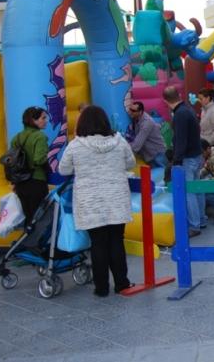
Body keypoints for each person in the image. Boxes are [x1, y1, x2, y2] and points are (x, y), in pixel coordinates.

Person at [58, 106, 135, 297]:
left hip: (90, 201)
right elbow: (131, 163)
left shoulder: (76, 145)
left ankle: (101, 288)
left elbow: (63, 170)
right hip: (116, 198)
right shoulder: (119, 141)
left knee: (98, 243)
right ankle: (122, 283)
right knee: (117, 241)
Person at [163, 86, 205, 237]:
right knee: (197, 189)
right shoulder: (188, 110)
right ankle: (201, 219)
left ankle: (194, 225)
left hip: (187, 158)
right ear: (179, 95)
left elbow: (180, 140)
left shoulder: (179, 115)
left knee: (188, 192)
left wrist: (176, 161)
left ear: (165, 101)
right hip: (197, 154)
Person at [9, 107, 50, 225]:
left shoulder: (16, 138)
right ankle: (37, 243)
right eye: (43, 118)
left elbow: (11, 160)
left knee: (28, 217)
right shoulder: (40, 136)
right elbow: (39, 160)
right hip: (36, 181)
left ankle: (28, 242)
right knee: (39, 218)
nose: (46, 120)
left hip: (20, 183)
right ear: (33, 120)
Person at [125, 101, 167, 168]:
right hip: (149, 155)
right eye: (130, 109)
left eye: (133, 110)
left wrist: (123, 151)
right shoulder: (136, 119)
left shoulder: (147, 123)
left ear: (140, 112)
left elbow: (137, 145)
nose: (130, 112)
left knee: (161, 176)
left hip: (157, 155)